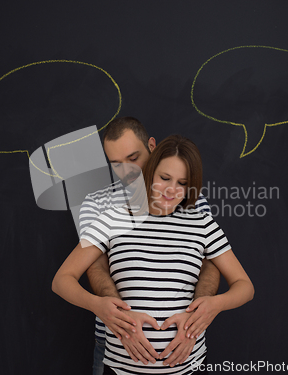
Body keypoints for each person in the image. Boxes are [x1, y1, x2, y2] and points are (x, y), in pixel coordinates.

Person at [53, 134, 254, 374]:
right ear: (150, 172)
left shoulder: (203, 224)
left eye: (182, 182)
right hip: (121, 369)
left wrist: (215, 305)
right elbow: (61, 280)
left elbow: (245, 286)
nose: (172, 189)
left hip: (187, 367)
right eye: (165, 178)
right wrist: (98, 305)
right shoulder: (112, 219)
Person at [78, 117, 220, 374]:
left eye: (134, 158)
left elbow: (211, 260)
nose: (127, 171)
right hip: (115, 342)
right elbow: (95, 265)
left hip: (183, 346)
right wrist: (122, 323)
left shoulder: (186, 197)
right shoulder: (97, 204)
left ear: (153, 146)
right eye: (116, 164)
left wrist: (196, 319)